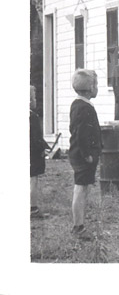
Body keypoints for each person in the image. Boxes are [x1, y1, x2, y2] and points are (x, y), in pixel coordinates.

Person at [69, 69, 102, 240]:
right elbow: (80, 133)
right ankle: (78, 226)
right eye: (96, 84)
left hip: (83, 154)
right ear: (90, 87)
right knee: (80, 189)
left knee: (83, 188)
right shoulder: (83, 107)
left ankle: (80, 222)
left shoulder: (80, 105)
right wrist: (87, 154)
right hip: (83, 155)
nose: (97, 88)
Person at [30, 85, 48, 219]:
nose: (36, 100)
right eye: (34, 98)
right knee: (33, 180)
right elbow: (36, 137)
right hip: (33, 155)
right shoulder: (33, 117)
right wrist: (42, 148)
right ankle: (33, 207)